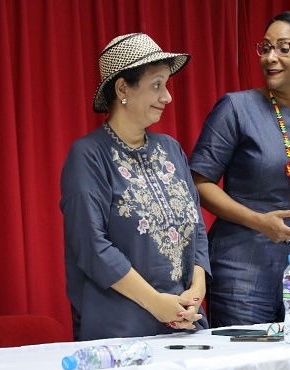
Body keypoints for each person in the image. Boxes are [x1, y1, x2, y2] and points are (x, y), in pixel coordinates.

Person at [189, 11, 290, 327]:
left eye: (284, 48)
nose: (269, 57)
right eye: (265, 48)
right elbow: (199, 182)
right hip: (241, 271)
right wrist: (259, 222)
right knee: (246, 368)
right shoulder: (236, 108)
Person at [60, 33, 210, 341]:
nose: (167, 97)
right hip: (121, 333)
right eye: (157, 85)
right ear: (122, 89)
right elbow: (92, 247)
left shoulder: (171, 149)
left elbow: (197, 229)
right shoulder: (88, 155)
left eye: (166, 85)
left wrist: (196, 292)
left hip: (186, 324)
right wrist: (157, 304)